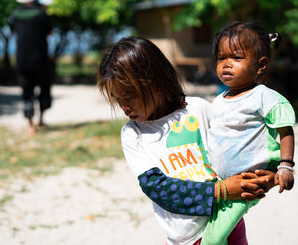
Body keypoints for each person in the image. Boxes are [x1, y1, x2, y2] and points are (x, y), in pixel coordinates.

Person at [98, 36, 277, 245]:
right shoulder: (133, 134)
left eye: (129, 97)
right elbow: (158, 188)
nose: (124, 107)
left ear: (155, 81)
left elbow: (233, 149)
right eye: (118, 99)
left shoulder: (199, 108)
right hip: (186, 239)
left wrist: (266, 172)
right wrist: (221, 191)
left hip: (228, 223)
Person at [202, 21, 296, 245]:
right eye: (221, 58)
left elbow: (285, 130)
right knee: (222, 232)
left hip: (248, 183)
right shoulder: (219, 100)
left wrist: (285, 167)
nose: (226, 64)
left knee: (213, 240)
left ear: (260, 65)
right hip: (222, 183)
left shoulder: (263, 96)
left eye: (236, 58)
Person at [9, 0, 53, 134]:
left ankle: (30, 125)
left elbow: (15, 31)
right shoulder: (42, 13)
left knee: (26, 90)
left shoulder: (14, 15)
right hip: (40, 58)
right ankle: (41, 119)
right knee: (44, 88)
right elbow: (49, 32)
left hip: (22, 59)